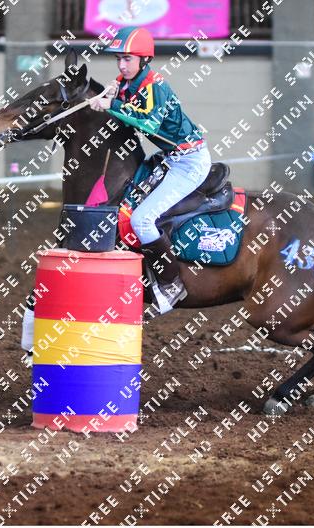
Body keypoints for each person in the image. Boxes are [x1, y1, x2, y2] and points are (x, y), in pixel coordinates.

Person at [89, 26, 211, 314]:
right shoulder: (126, 80)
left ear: (144, 60)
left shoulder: (155, 86)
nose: (122, 65)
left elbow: (148, 122)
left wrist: (111, 104)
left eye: (128, 59)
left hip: (189, 162)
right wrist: (112, 92)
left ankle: (171, 284)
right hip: (169, 157)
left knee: (142, 220)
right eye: (119, 59)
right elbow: (122, 94)